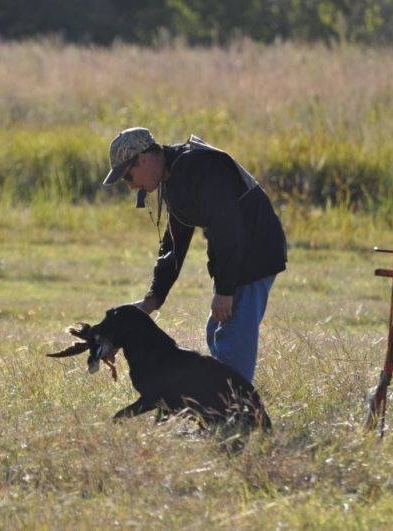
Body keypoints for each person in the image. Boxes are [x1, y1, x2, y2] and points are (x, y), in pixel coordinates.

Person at [103, 127, 287, 383]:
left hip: (255, 252)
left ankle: (236, 411)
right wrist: (154, 298)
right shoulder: (173, 177)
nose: (132, 186)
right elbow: (174, 244)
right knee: (217, 331)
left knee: (232, 337)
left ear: (143, 159)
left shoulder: (199, 168)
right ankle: (223, 405)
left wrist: (224, 290)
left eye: (128, 176)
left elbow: (226, 226)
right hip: (239, 254)